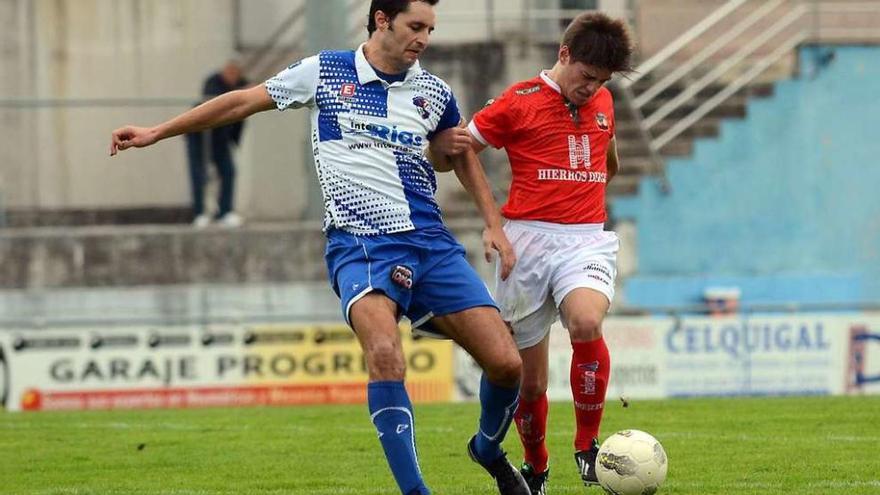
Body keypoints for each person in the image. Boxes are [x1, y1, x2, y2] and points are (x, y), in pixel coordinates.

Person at [109, 1, 530, 494]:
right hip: (361, 242)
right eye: (416, 26)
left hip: (430, 244)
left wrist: (492, 224)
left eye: (430, 30)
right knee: (384, 353)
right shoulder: (326, 72)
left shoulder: (433, 92)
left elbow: (456, 155)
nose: (424, 39)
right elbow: (242, 101)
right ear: (381, 20)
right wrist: (158, 131)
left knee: (506, 363)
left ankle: (485, 448)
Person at [462, 12, 634, 494]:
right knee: (529, 383)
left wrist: (589, 189)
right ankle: (536, 467)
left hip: (584, 238)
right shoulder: (518, 102)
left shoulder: (604, 100)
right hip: (526, 243)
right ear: (564, 55)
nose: (591, 88)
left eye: (601, 81)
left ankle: (587, 447)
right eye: (585, 76)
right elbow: (463, 149)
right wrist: (492, 222)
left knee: (585, 321)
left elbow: (608, 156)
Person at [186, 60, 249, 228]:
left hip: (221, 138)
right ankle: (200, 213)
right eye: (229, 73)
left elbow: (243, 113)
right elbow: (216, 103)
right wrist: (239, 92)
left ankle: (225, 211)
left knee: (228, 172)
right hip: (200, 135)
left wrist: (234, 141)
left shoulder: (243, 84)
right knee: (199, 174)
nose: (232, 77)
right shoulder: (212, 81)